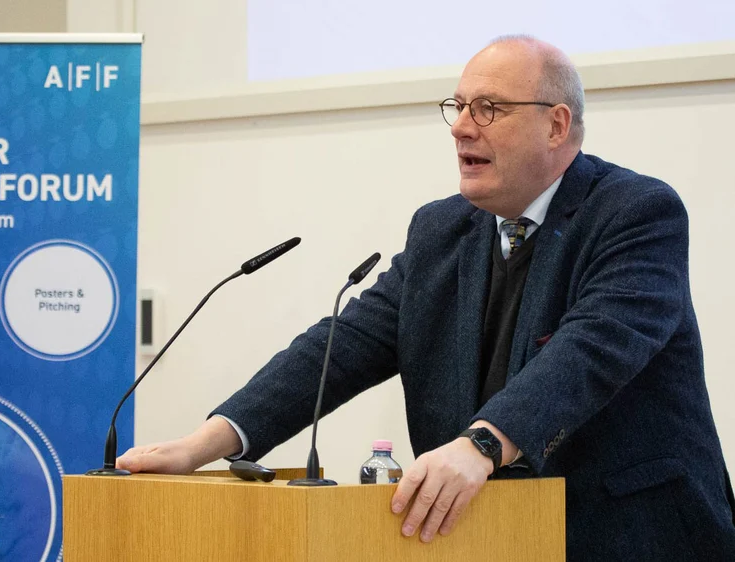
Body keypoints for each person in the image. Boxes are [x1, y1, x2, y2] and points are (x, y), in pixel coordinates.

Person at [117, 35, 735, 560]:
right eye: (459, 106)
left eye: (489, 107)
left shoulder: (635, 213)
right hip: (484, 539)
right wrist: (207, 442)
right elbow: (342, 346)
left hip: (632, 534)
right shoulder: (443, 230)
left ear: (556, 124)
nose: (463, 125)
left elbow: (593, 348)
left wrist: (483, 444)